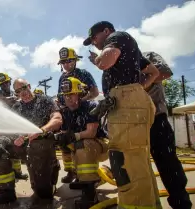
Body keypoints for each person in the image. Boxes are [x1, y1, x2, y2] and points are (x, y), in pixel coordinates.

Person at [83, 20, 161, 208]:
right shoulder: (131, 49)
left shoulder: (117, 37)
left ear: (106, 31)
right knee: (138, 161)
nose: (94, 42)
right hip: (132, 100)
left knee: (125, 161)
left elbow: (105, 61)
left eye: (94, 37)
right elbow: (154, 72)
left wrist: (97, 60)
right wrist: (137, 89)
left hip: (126, 102)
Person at [0, 78, 62, 206]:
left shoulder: (45, 100)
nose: (22, 92)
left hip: (42, 146)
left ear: (29, 86)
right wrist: (16, 137)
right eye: (18, 91)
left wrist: (41, 130)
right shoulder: (17, 107)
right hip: (24, 147)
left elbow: (57, 119)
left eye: (24, 88)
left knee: (43, 194)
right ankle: (6, 191)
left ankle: (53, 165)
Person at [142, 51, 192, 209]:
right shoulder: (113, 65)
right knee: (136, 169)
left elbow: (164, 72)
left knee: (168, 165)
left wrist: (137, 82)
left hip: (156, 119)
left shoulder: (146, 56)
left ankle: (181, 204)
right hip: (133, 124)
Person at [57, 77, 109, 208]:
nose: (68, 98)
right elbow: (65, 136)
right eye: (65, 95)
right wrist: (59, 138)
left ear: (79, 94)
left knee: (82, 144)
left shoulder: (90, 106)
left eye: (71, 94)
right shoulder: (65, 112)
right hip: (83, 145)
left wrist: (72, 136)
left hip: (101, 144)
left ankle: (90, 193)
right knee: (66, 145)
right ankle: (81, 177)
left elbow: (91, 132)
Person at [56, 47, 100, 184]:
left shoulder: (84, 74)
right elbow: (61, 97)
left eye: (69, 61)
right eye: (63, 62)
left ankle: (87, 178)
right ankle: (71, 172)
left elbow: (95, 93)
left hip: (82, 112)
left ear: (75, 60)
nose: (66, 64)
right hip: (68, 113)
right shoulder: (62, 78)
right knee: (65, 141)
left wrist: (80, 102)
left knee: (82, 143)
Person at [0, 72, 29, 180]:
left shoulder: (16, 93)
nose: (4, 86)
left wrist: (17, 99)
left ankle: (17, 172)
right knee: (1, 150)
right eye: (2, 84)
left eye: (6, 83)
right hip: (2, 127)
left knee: (15, 148)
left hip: (14, 126)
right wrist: (7, 100)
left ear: (9, 82)